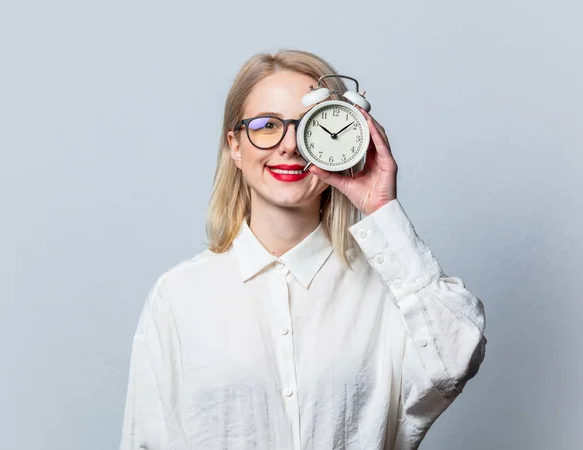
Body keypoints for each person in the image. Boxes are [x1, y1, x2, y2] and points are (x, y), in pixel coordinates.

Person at [119, 49, 487, 450]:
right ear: (235, 146)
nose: (290, 145)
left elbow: (456, 357)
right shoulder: (179, 296)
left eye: (310, 126)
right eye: (266, 125)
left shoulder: (390, 293)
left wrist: (381, 209)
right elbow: (147, 440)